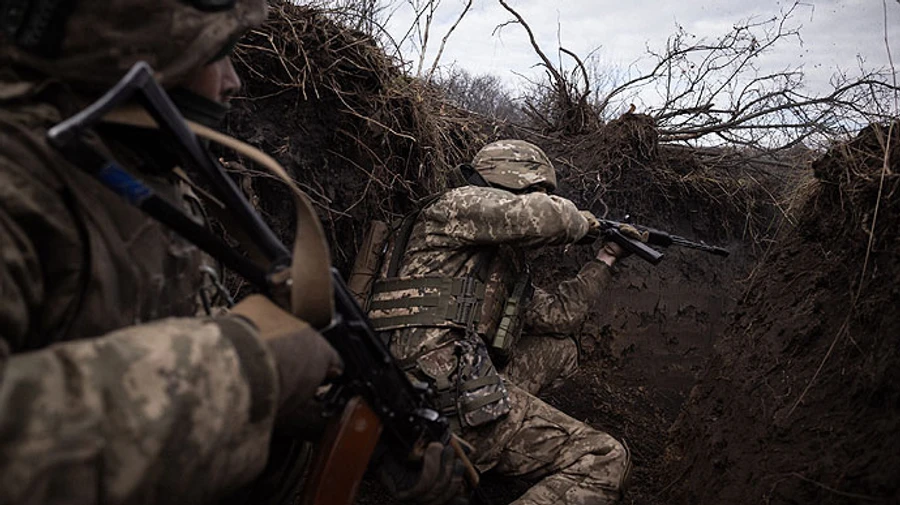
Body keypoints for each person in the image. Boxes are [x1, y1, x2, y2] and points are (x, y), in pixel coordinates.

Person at [0, 1, 464, 504]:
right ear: (136, 53)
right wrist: (249, 369)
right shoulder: (20, 183)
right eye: (216, 53)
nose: (232, 81)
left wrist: (320, 427)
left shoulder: (138, 174)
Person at [366, 140, 634, 504]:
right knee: (605, 459)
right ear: (515, 180)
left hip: (436, 380)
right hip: (431, 394)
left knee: (560, 349)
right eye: (539, 190)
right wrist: (587, 222)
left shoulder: (491, 261)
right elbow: (549, 217)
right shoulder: (459, 203)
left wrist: (606, 257)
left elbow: (559, 315)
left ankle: (496, 443)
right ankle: (485, 440)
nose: (544, 198)